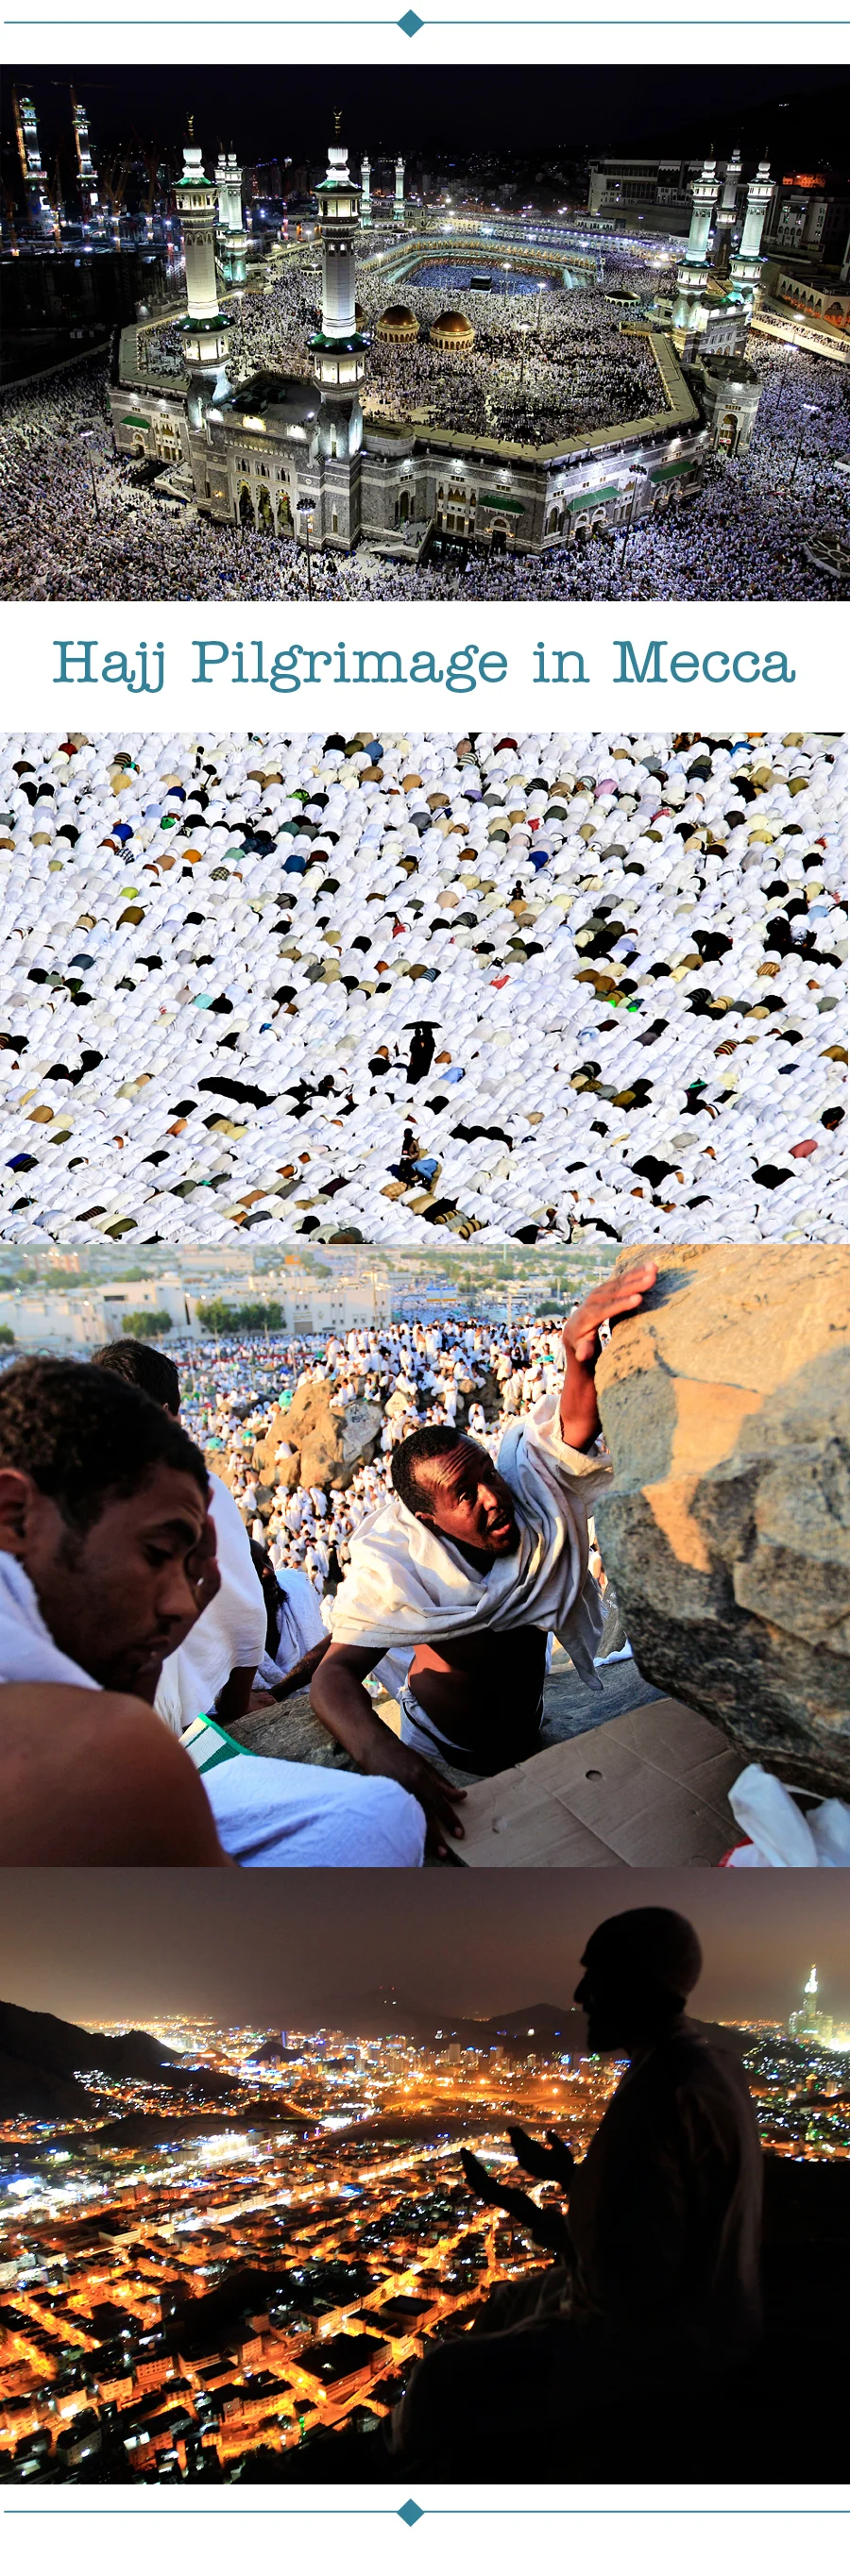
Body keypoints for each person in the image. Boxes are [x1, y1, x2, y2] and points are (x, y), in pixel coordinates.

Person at [384, 1904, 765, 2478]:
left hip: (662, 2340)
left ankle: (388, 2478)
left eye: (596, 1976)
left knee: (440, 2377)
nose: (580, 1994)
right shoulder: (706, 2064)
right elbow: (648, 2215)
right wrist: (565, 2177)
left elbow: (623, 2278)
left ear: (637, 1984)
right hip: (706, 2310)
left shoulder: (659, 2094)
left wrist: (516, 2202)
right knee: (507, 2303)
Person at [311, 1264, 656, 1849]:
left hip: (530, 1729)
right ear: (429, 1520)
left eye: (488, 1473)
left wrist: (578, 1358)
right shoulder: (403, 1569)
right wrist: (385, 1755)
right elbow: (332, 1678)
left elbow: (572, 1430)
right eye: (465, 1495)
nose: (494, 1497)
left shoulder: (529, 1500)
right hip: (441, 1749)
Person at [87, 1342, 426, 1870]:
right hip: (172, 1733)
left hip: (97, 1744)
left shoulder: (62, 1496)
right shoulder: (193, 1488)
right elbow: (243, 1615)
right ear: (168, 1415)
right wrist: (239, 1702)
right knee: (389, 1815)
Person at [0, 1355, 228, 1865]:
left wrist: (139, 1670)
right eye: (156, 1552)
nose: (183, 1604)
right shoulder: (108, 1754)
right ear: (14, 1516)